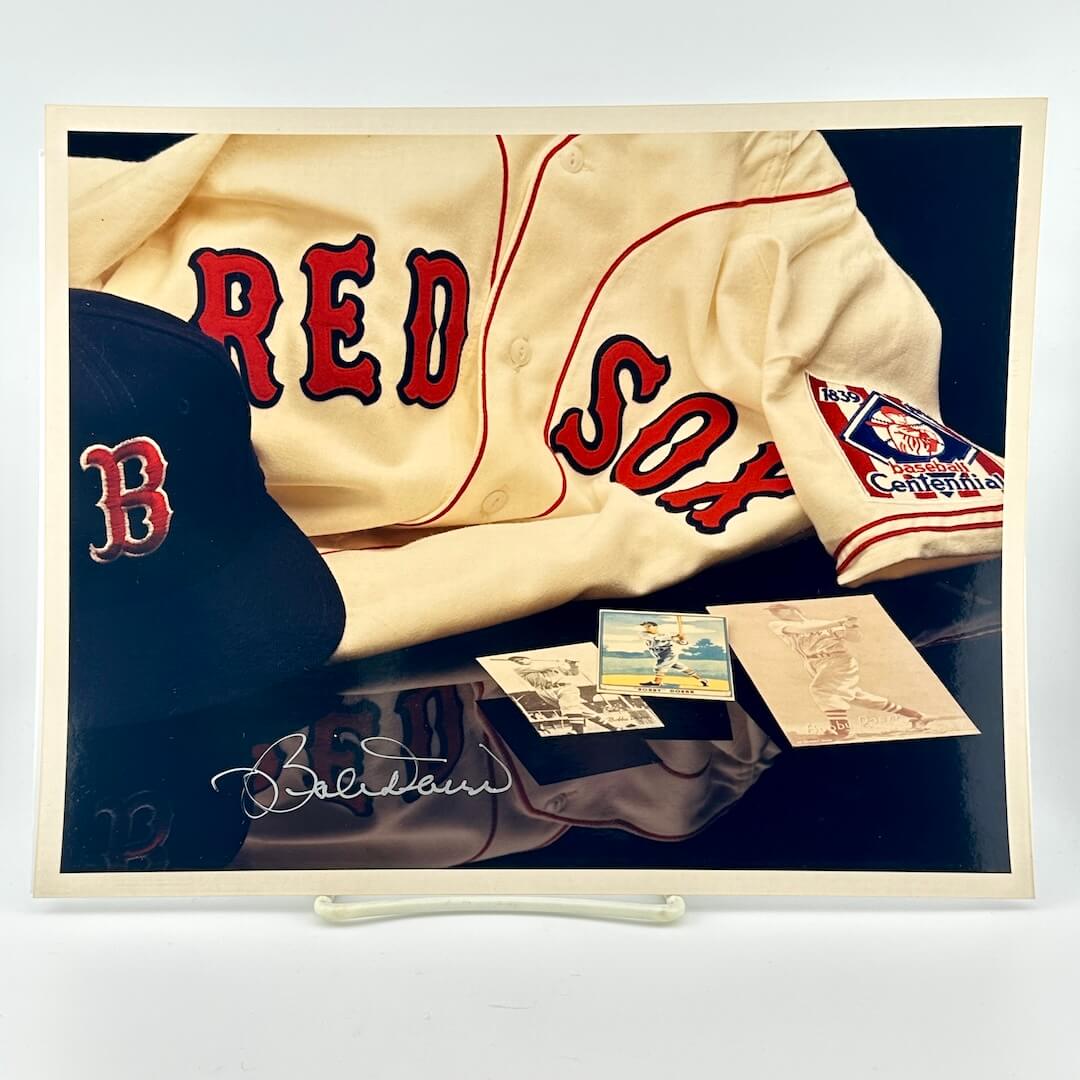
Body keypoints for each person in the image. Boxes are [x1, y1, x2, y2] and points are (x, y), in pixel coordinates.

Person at [767, 603, 934, 739]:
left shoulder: (824, 623)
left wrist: (851, 626)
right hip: (813, 663)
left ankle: (841, 730)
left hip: (838, 660)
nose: (775, 613)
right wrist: (839, 622)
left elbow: (855, 638)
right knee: (856, 697)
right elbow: (803, 629)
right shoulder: (778, 624)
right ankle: (918, 715)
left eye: (779, 609)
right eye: (774, 611)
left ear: (793, 608)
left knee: (822, 689)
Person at [638, 621, 709, 689]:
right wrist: (674, 636)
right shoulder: (644, 634)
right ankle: (702, 680)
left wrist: (682, 639)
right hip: (660, 655)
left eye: (649, 626)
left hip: (669, 654)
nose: (646, 628)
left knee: (660, 666)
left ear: (656, 627)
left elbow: (683, 643)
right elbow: (656, 638)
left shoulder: (666, 634)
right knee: (682, 667)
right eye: (645, 627)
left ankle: (657, 682)